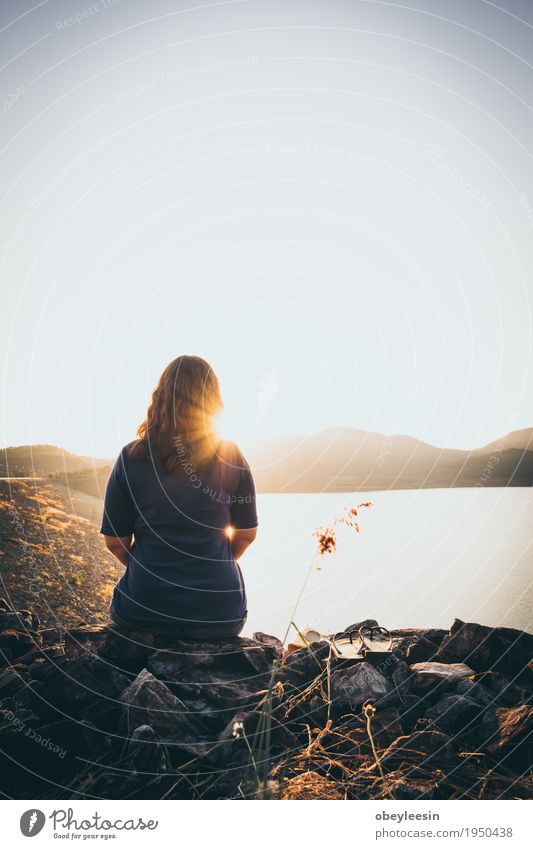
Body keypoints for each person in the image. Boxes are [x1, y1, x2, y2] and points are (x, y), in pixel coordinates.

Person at [100, 355, 257, 638]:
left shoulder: (130, 457)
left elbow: (115, 543)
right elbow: (246, 535)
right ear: (213, 401)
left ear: (160, 398)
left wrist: (151, 568)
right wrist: (213, 562)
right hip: (219, 615)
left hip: (143, 609)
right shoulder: (231, 455)